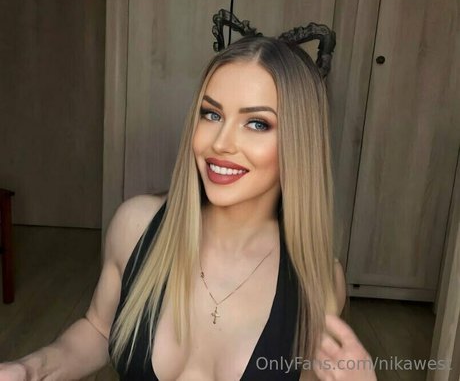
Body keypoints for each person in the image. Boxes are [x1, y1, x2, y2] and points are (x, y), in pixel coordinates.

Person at [0, 36, 376, 380]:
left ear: (299, 141)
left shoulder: (317, 279)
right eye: (211, 114)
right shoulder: (136, 226)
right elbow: (100, 329)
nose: (221, 143)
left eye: (257, 124)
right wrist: (30, 369)